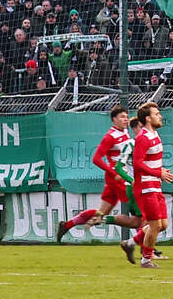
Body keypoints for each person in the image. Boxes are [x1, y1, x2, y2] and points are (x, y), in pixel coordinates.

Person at [56, 106, 146, 247]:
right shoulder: (110, 136)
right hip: (118, 178)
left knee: (101, 213)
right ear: (113, 119)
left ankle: (67, 225)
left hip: (117, 177)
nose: (125, 119)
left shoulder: (125, 132)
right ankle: (146, 248)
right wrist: (114, 172)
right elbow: (96, 158)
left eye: (126, 116)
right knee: (140, 215)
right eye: (122, 117)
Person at [133, 102, 173, 268]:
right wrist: (159, 173)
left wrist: (160, 170)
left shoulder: (154, 135)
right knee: (155, 225)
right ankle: (146, 259)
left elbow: (149, 162)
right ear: (148, 118)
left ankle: (131, 242)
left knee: (162, 225)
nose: (161, 116)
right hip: (146, 187)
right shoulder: (143, 137)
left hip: (155, 185)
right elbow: (137, 164)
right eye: (157, 114)